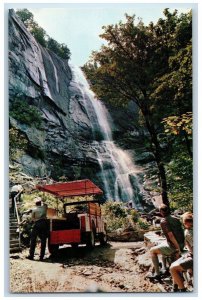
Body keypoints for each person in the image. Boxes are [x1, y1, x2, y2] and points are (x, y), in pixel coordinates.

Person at [148, 204, 185, 280]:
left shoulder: (163, 221)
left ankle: (157, 274)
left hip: (175, 246)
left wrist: (178, 249)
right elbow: (181, 232)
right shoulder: (176, 218)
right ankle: (165, 268)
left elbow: (171, 236)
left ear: (161, 212)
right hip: (182, 243)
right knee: (161, 244)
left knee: (152, 251)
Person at [170, 212, 193, 292]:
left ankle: (182, 290)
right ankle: (175, 288)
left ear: (185, 223)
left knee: (172, 268)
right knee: (175, 264)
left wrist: (190, 254)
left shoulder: (188, 232)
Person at [26, 197, 48, 261]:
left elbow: (32, 219)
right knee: (43, 240)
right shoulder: (44, 208)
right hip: (44, 224)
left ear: (36, 204)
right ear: (40, 203)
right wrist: (42, 201)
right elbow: (46, 204)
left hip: (37, 224)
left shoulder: (34, 209)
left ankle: (31, 255)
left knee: (33, 239)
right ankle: (41, 256)